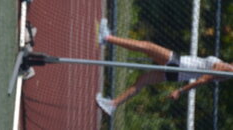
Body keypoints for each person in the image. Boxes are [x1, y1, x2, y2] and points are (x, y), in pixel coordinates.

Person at [95, 18, 233, 116]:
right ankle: (112, 105)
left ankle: (107, 38)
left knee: (147, 46)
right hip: (177, 74)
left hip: (178, 65)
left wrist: (180, 91)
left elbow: (203, 80)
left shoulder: (228, 70)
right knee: (142, 80)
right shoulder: (228, 69)